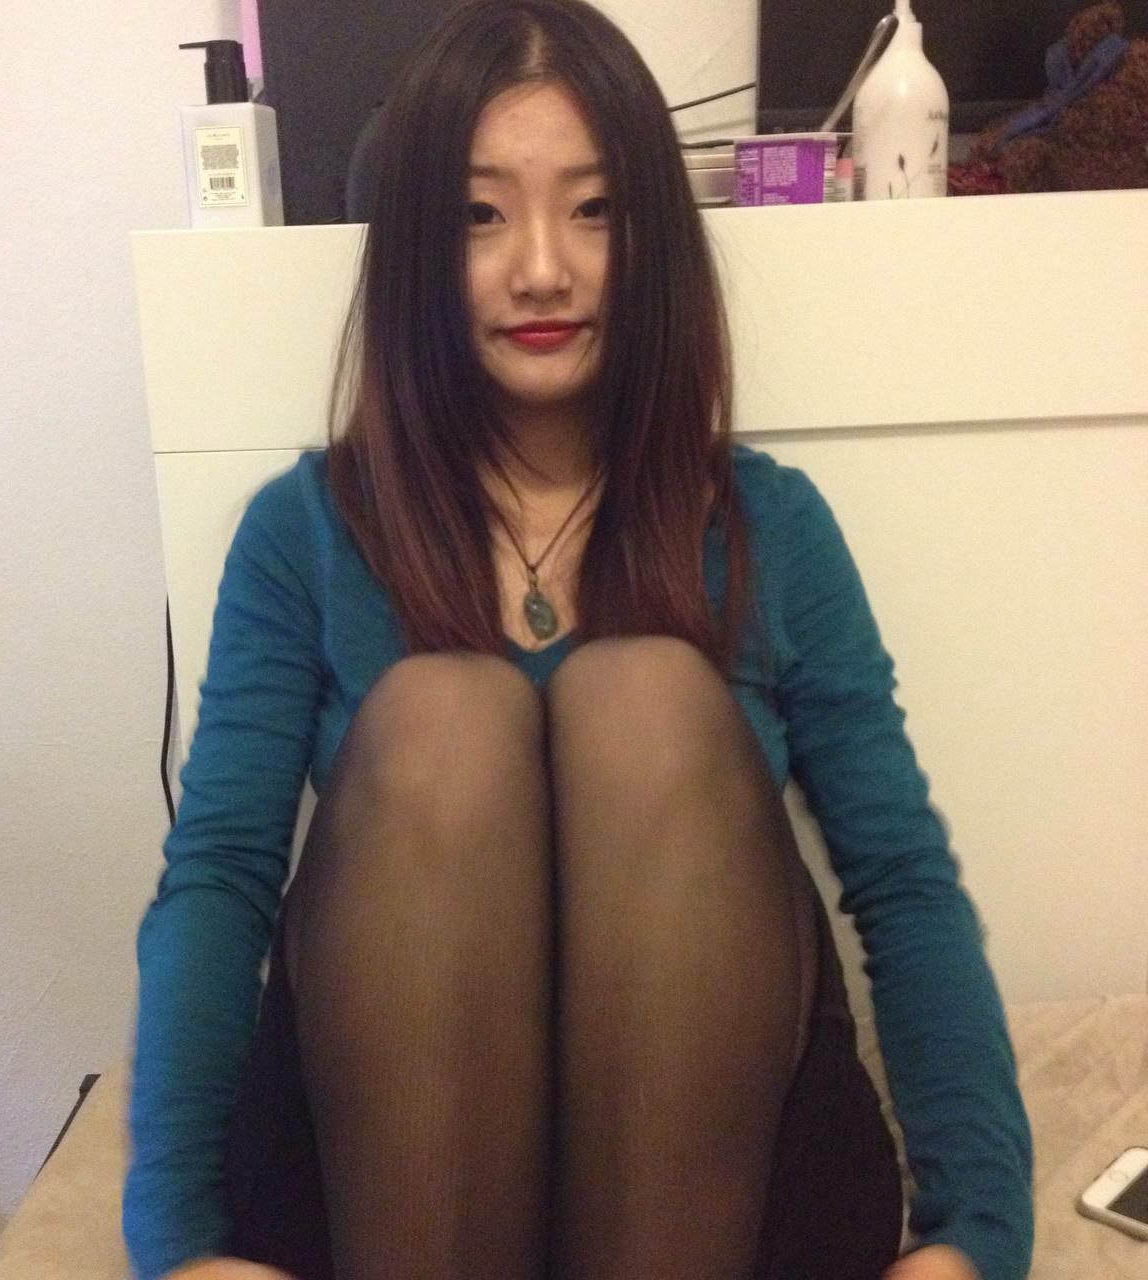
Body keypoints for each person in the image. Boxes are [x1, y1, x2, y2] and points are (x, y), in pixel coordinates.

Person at [123, 2, 1033, 1278]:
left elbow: (899, 879)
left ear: (652, 237)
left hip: (724, 1184)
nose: (541, 268)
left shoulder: (765, 526)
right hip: (380, 1179)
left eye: (593, 208)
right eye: (478, 215)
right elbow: (219, 879)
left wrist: (977, 1232)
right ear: (412, 249)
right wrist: (175, 1239)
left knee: (644, 701)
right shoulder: (307, 532)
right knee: (443, 718)